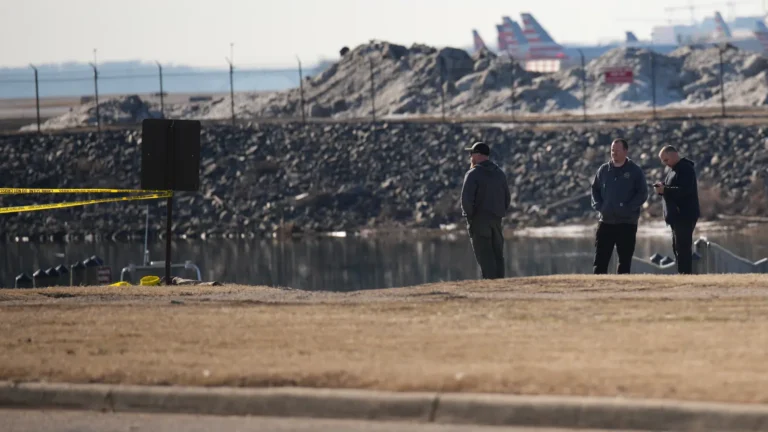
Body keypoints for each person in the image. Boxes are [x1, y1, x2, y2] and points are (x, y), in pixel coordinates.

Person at [590, 138, 648, 274]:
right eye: (612, 150)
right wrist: (600, 207)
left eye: (617, 151)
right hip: (606, 222)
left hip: (627, 223)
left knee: (624, 261)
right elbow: (595, 190)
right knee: (600, 261)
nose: (614, 153)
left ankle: (623, 290)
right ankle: (598, 290)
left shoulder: (635, 171)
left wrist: (628, 208)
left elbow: (642, 193)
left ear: (625, 151)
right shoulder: (604, 170)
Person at [460, 142, 511, 279]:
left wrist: (470, 217)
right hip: (496, 220)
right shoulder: (499, 173)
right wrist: (500, 213)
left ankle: (491, 288)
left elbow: (466, 200)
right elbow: (507, 198)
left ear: (477, 155)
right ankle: (500, 285)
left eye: (471, 153)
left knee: (485, 255)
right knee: (497, 254)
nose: (470, 157)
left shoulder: (472, 174)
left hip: (479, 220)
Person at [654, 145, 700, 274]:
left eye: (666, 160)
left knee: (683, 248)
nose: (665, 163)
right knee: (677, 248)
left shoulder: (685, 169)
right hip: (677, 216)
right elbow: (674, 189)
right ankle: (682, 274)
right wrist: (663, 188)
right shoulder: (674, 170)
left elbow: (684, 190)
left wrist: (665, 189)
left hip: (684, 215)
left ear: (674, 155)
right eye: (663, 161)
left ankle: (685, 275)